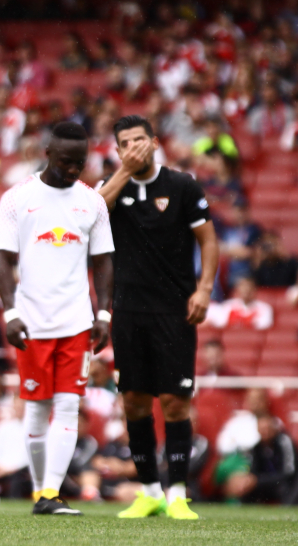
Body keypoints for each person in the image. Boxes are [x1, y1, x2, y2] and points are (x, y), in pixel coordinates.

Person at [97, 115, 219, 520]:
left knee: (175, 402)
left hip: (174, 309)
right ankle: (149, 492)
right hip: (128, 311)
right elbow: (92, 213)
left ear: (154, 141)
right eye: (125, 143)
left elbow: (208, 239)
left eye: (139, 140)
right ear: (117, 150)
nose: (134, 147)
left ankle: (178, 494)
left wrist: (203, 290)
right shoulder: (112, 187)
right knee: (133, 402)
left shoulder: (181, 185)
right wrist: (123, 172)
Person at [0, 121, 114, 516]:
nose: (74, 169)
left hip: (76, 323)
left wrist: (104, 313)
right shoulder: (18, 198)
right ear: (47, 154)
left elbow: (104, 261)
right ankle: (39, 493)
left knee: (66, 406)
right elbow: (3, 259)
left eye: (80, 162)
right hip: (31, 321)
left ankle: (50, 495)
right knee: (37, 407)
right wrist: (9, 312)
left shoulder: (92, 202)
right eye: (66, 161)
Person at [225, 413, 298, 503]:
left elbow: (289, 473)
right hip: (267, 484)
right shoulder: (257, 448)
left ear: (275, 429)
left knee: (284, 489)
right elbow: (254, 472)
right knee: (247, 489)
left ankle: (287, 511)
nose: (265, 432)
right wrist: (246, 481)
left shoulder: (285, 442)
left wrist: (258, 481)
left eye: (268, 429)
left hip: (289, 484)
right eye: (262, 429)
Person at [205, 276, 274, 330]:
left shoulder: (265, 308)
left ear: (255, 290)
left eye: (249, 288)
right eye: (243, 288)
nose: (246, 291)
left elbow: (264, 326)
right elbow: (220, 324)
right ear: (237, 290)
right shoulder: (228, 305)